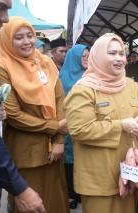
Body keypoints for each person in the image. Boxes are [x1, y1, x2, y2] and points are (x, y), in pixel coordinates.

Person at [64, 33, 138, 213]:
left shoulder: (130, 86)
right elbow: (80, 130)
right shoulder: (83, 90)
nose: (119, 58)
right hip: (99, 178)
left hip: (129, 172)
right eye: (112, 53)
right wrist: (121, 126)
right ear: (98, 56)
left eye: (121, 53)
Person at [0, 16, 69, 213]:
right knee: (33, 206)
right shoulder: (2, 67)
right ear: (8, 40)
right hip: (27, 154)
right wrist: (55, 127)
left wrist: (60, 139)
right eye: (18, 38)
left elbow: (60, 99)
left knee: (56, 202)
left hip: (54, 150)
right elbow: (14, 115)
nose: (27, 42)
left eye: (30, 36)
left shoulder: (45, 62)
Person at [0, 1, 45, 213]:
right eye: (0, 7)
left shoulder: (42, 63)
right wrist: (19, 188)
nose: (5, 18)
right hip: (15, 156)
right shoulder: (2, 66)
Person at [59, 44, 89, 209]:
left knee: (82, 160)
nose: (87, 59)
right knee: (69, 161)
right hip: (68, 125)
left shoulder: (89, 75)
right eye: (83, 57)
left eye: (88, 56)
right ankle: (70, 193)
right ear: (75, 58)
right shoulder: (63, 77)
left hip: (85, 125)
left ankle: (80, 191)